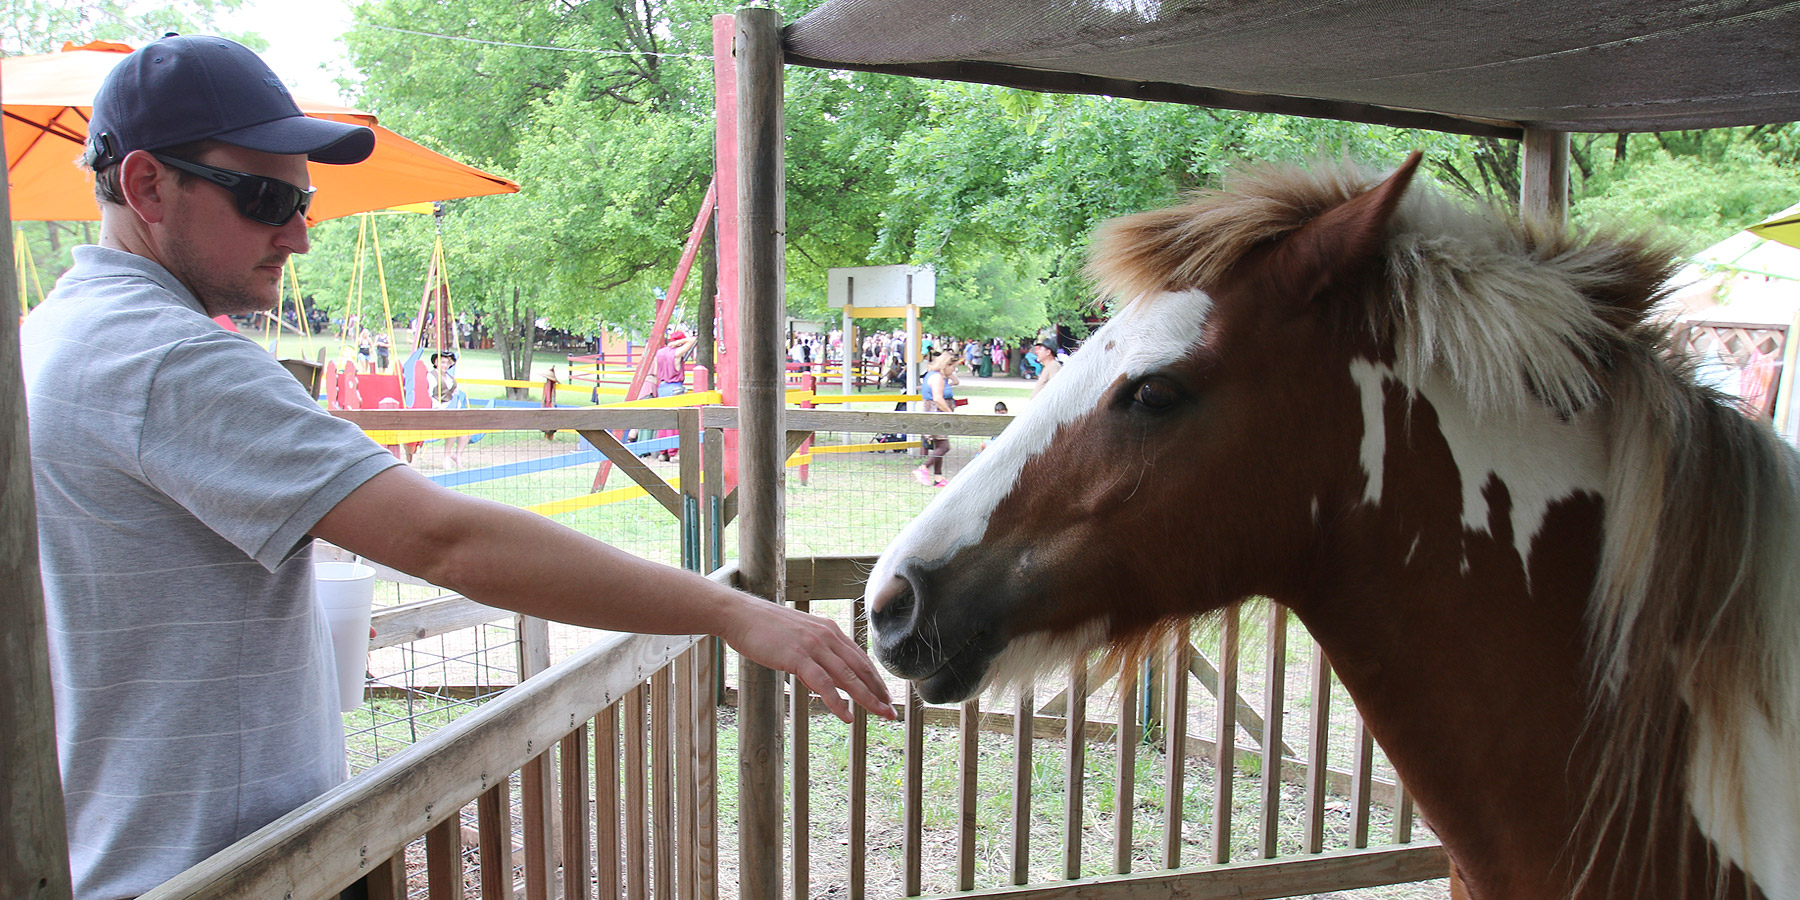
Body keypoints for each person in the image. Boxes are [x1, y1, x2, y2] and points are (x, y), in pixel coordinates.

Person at [19, 36, 896, 900]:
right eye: (261, 199)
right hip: (212, 869)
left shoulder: (55, 336)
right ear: (145, 185)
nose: (298, 236)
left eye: (304, 202)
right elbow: (446, 541)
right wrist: (728, 610)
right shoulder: (166, 359)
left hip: (130, 846)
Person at [913, 350, 959, 487]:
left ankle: (938, 478)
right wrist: (950, 413)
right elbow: (938, 399)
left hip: (935, 412)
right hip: (936, 413)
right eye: (953, 367)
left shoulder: (934, 375)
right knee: (944, 446)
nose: (954, 370)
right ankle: (923, 468)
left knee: (939, 445)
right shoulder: (937, 377)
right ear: (945, 364)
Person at [429, 350, 470, 469]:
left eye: (447, 363)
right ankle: (446, 456)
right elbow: (428, 396)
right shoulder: (431, 376)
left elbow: (455, 394)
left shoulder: (450, 379)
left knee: (467, 429)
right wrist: (439, 406)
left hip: (451, 410)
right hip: (436, 410)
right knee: (453, 426)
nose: (445, 366)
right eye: (442, 363)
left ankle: (457, 455)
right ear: (436, 363)